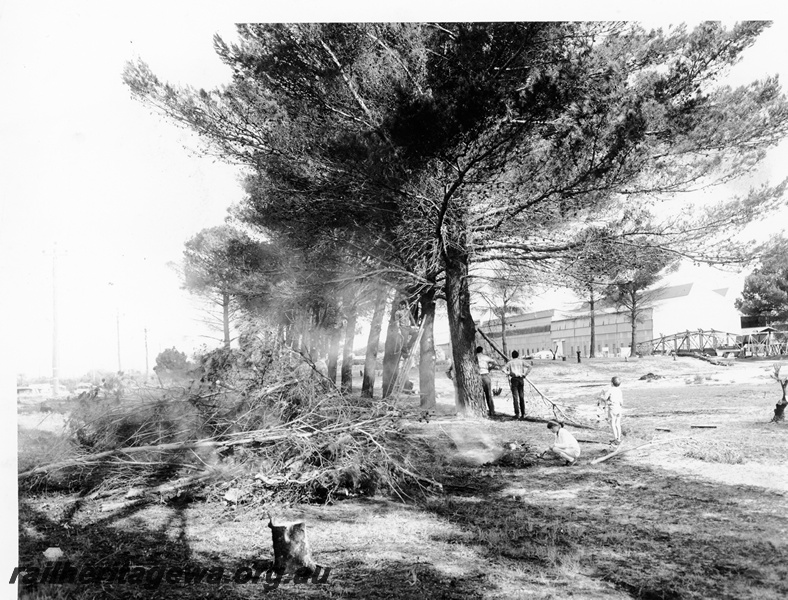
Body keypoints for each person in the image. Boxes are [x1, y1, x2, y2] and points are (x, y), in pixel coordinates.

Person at [503, 351, 532, 420]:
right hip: (521, 379)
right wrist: (525, 374)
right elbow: (530, 367)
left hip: (514, 379)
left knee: (515, 397)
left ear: (512, 356)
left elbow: (503, 369)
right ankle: (523, 413)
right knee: (521, 397)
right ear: (518, 355)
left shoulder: (510, 362)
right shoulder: (521, 361)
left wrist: (508, 373)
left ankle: (517, 414)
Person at [600, 376, 624, 444]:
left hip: (612, 408)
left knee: (613, 423)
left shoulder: (610, 390)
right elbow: (621, 402)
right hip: (619, 408)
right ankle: (619, 439)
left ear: (612, 383)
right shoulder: (619, 390)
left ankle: (615, 438)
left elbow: (605, 398)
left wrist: (601, 396)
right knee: (618, 424)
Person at [476, 346, 497, 417]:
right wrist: (489, 368)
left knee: (479, 395)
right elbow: (495, 362)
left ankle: (482, 411)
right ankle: (492, 411)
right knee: (488, 395)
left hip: (477, 376)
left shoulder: (474, 357)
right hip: (485, 375)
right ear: (482, 351)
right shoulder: (485, 357)